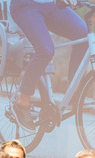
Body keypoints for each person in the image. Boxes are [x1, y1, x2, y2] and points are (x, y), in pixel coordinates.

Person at [9, 0, 88, 129]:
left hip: (51, 5)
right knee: (45, 51)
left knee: (84, 35)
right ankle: (22, 103)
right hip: (26, 6)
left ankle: (74, 92)